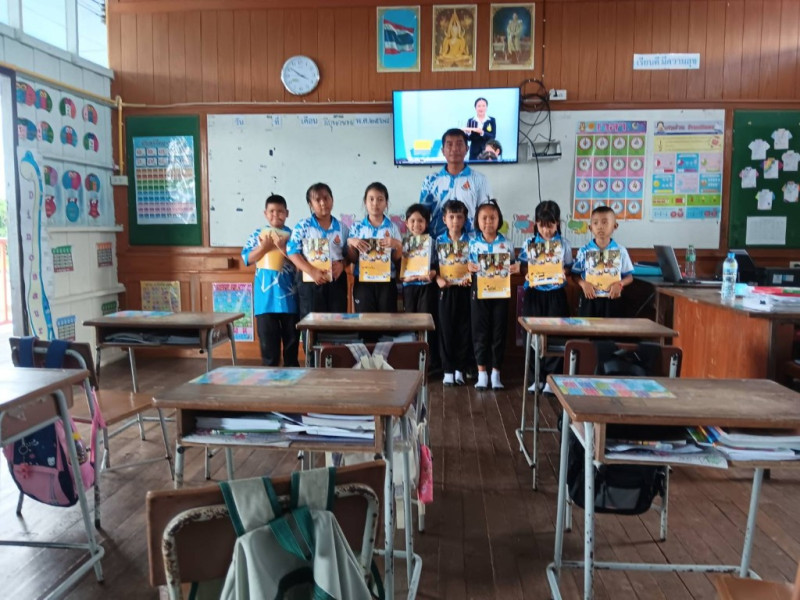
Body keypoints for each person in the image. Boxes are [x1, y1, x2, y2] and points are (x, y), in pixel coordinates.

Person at [518, 201, 573, 391]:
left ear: (558, 223)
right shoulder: (529, 243)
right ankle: (536, 378)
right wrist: (526, 272)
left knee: (555, 334)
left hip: (556, 294)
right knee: (531, 334)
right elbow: (523, 266)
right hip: (534, 294)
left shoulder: (564, 244)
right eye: (542, 226)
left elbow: (568, 267)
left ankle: (551, 379)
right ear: (536, 224)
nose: (546, 230)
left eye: (550, 225)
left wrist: (564, 272)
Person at [241, 194, 299, 367]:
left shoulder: (293, 235)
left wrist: (283, 248)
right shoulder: (258, 235)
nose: (276, 215)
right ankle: (270, 379)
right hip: (265, 301)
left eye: (280, 211)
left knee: (291, 349)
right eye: (272, 211)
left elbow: (300, 263)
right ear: (265, 213)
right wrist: (263, 248)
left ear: (287, 213)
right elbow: (247, 259)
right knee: (269, 352)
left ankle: (292, 379)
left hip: (290, 300)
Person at [468, 200, 519, 390]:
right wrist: (468, 267)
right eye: (484, 218)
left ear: (499, 220)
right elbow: (466, 266)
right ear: (477, 221)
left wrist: (516, 267)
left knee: (499, 331)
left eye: (492, 218)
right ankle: (482, 373)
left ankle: (496, 373)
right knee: (479, 331)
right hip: (480, 290)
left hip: (500, 292)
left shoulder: (506, 243)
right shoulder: (472, 243)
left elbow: (513, 265)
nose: (488, 222)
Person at [287, 183, 349, 319]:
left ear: (332, 200)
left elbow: (349, 254)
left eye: (326, 198)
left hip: (336, 281)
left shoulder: (343, 228)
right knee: (312, 321)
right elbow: (292, 252)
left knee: (337, 321)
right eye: (317, 200)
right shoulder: (303, 226)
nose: (323, 203)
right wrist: (311, 271)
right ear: (310, 204)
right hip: (310, 280)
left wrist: (342, 265)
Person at [420, 128, 492, 239]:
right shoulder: (430, 180)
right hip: (437, 241)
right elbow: (422, 216)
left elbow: (487, 214)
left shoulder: (479, 179)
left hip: (471, 242)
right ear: (443, 150)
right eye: (449, 144)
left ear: (467, 149)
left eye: (459, 144)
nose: (454, 149)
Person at [346, 182, 402, 313]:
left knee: (387, 320)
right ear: (365, 202)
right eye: (371, 199)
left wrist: (398, 246)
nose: (375, 203)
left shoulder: (393, 228)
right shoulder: (357, 227)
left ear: (386, 203)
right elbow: (352, 259)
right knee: (365, 320)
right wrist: (351, 243)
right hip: (363, 281)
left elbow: (396, 259)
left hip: (387, 281)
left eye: (380, 199)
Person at [571, 205, 633, 317]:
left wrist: (620, 284)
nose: (600, 227)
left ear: (615, 226)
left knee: (611, 327)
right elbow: (575, 275)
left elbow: (629, 277)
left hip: (612, 298)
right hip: (590, 298)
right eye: (595, 223)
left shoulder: (621, 250)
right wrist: (583, 284)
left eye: (605, 222)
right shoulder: (584, 250)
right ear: (590, 228)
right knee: (587, 326)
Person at [435, 200, 472, 386]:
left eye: (459, 217)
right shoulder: (438, 241)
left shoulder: (471, 241)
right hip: (446, 290)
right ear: (444, 219)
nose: (455, 221)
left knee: (464, 329)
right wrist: (437, 279)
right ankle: (448, 369)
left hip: (465, 289)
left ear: (464, 219)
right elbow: (431, 266)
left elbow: (476, 265)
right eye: (451, 217)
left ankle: (460, 369)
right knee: (446, 329)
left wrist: (470, 276)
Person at [401, 203, 441, 374]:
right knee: (411, 323)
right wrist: (405, 277)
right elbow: (398, 268)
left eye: (420, 221)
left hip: (426, 288)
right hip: (409, 288)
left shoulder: (432, 242)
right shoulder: (403, 243)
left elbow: (438, 265)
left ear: (427, 223)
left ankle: (429, 362)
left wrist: (432, 273)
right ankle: (411, 360)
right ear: (406, 223)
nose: (416, 225)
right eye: (412, 221)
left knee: (425, 322)